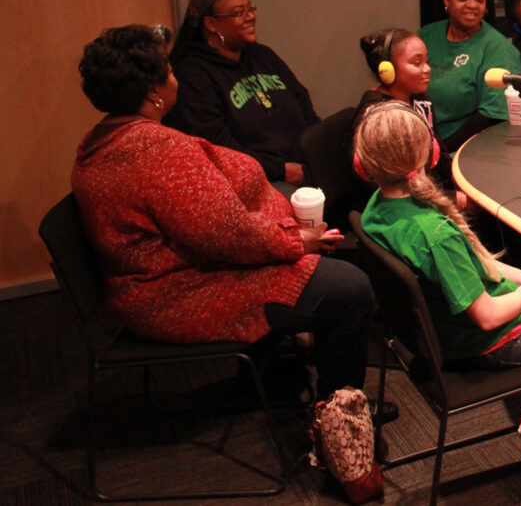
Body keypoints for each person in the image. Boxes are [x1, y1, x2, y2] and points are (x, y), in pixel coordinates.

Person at [72, 25, 375, 402]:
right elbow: (226, 233)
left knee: (328, 274)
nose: (174, 76)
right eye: (168, 70)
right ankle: (340, 420)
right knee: (349, 288)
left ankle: (270, 383)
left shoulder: (103, 138)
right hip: (176, 294)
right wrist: (297, 240)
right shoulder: (153, 151)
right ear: (152, 92)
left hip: (169, 278)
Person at [357, 101, 521, 492]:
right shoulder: (435, 232)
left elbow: (478, 267)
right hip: (489, 339)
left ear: (366, 165)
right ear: (430, 153)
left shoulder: (378, 208)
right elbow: (489, 316)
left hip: (446, 334)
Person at [165, 0, 320, 192]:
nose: (251, 17)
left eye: (250, 9)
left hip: (301, 167)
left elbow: (302, 101)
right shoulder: (192, 75)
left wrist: (315, 151)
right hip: (254, 180)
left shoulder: (262, 56)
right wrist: (278, 170)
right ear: (211, 24)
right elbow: (217, 146)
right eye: (239, 13)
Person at [418, 0, 521, 152]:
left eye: (480, 0)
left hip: (463, 148)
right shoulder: (427, 35)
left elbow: (492, 115)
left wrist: (439, 151)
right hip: (420, 136)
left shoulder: (496, 47)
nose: (472, 5)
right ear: (447, 1)